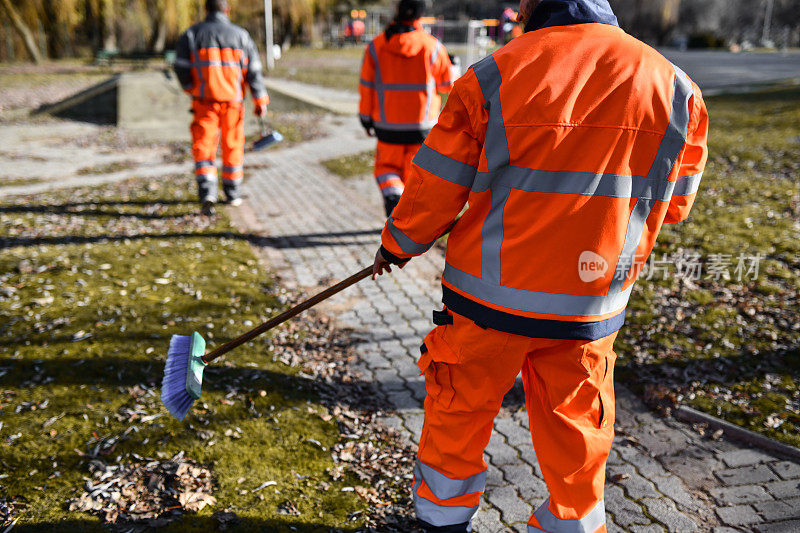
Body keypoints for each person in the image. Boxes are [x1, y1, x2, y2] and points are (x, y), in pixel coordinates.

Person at [371, 0, 709, 531]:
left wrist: (398, 244)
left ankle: (438, 521)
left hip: (488, 302)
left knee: (458, 417)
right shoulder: (675, 87)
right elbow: (678, 202)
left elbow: (436, 185)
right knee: (577, 432)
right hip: (589, 305)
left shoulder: (494, 74)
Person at [359, 0, 453, 217]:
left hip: (386, 127)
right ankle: (408, 215)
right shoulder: (433, 47)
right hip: (421, 127)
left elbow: (366, 86)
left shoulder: (376, 47)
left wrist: (365, 119)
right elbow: (447, 85)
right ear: (420, 15)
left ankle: (393, 197)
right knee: (414, 173)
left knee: (386, 168)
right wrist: (453, 66)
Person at [174, 0, 269, 216]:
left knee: (204, 146)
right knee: (232, 145)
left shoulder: (192, 34)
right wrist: (260, 101)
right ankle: (232, 193)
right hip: (233, 104)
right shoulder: (241, 35)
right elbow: (254, 72)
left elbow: (180, 67)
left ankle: (207, 191)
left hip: (204, 102)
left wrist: (191, 87)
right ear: (227, 10)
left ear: (206, 10)